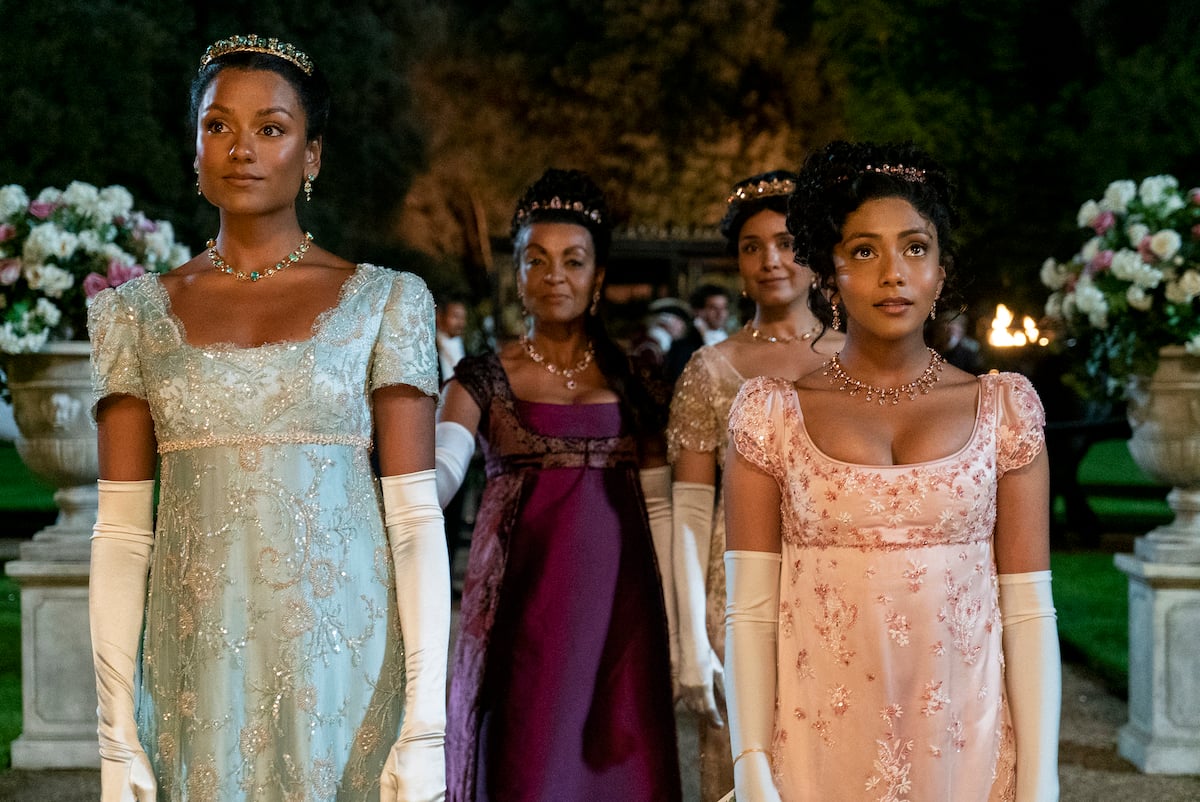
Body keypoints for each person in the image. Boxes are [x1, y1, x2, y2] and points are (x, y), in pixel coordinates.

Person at [87, 35, 449, 802]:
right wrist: (114, 732)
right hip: (195, 683)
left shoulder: (385, 302)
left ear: (311, 156)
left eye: (271, 128)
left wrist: (425, 727)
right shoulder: (135, 316)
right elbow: (121, 531)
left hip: (349, 679)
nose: (241, 149)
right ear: (193, 149)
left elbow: (415, 521)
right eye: (218, 126)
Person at [722, 141, 1060, 801]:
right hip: (815, 753)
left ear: (941, 271)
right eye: (865, 251)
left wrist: (1041, 780)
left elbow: (1028, 611)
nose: (893, 275)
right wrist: (750, 762)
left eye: (914, 248)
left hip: (967, 751)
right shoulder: (771, 415)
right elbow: (751, 612)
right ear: (831, 273)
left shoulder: (1005, 411)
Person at [435, 168, 682, 802]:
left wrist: (680, 627)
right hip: (523, 622)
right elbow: (438, 475)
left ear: (597, 277)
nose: (554, 276)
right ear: (517, 274)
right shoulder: (479, 379)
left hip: (624, 618)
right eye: (536, 260)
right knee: (526, 771)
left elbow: (661, 506)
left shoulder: (639, 379)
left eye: (573, 261)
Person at [666, 170, 843, 801]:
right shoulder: (711, 368)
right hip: (735, 586)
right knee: (742, 763)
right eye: (751, 247)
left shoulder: (862, 358)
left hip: (838, 583)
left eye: (786, 242)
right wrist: (689, 640)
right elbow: (688, 512)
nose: (770, 260)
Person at [436, 294, 469, 384]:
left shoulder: (468, 348)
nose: (461, 323)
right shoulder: (431, 346)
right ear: (439, 316)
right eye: (456, 317)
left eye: (463, 318)